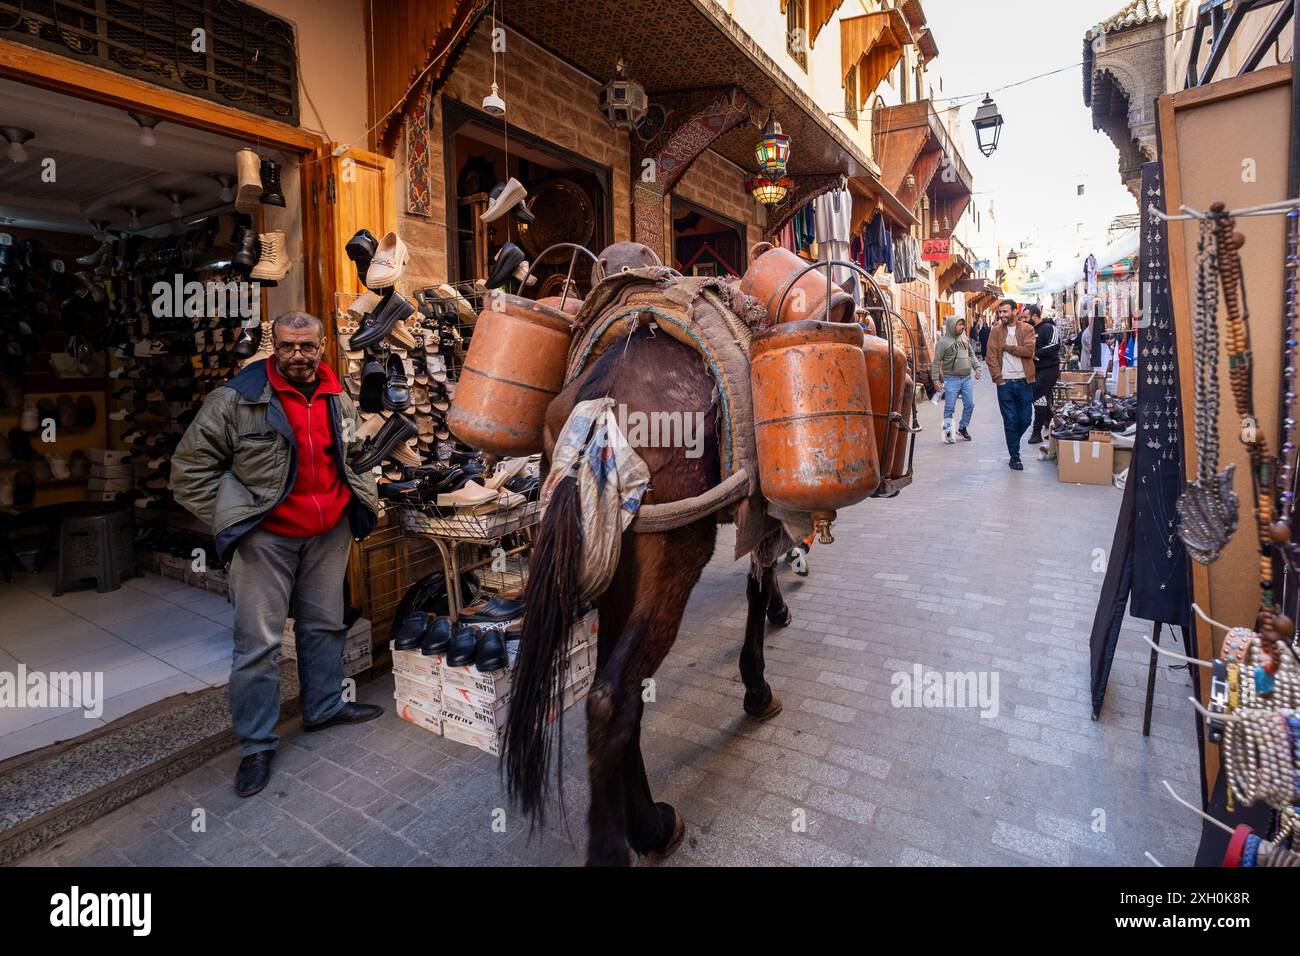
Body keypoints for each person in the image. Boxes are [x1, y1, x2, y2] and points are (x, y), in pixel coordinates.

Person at [170, 311, 382, 797]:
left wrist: (358, 500)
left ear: (323, 345)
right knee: (258, 644)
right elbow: (188, 471)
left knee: (325, 624)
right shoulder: (236, 398)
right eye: (287, 346)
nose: (297, 355)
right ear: (275, 345)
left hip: (328, 531)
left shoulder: (336, 394)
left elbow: (353, 457)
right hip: (265, 539)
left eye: (307, 346)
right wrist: (238, 520)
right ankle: (256, 744)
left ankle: (325, 706)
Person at [986, 298, 1037, 470]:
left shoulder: (1028, 329)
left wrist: (1009, 348)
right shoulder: (995, 331)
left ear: (1015, 311)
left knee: (1025, 419)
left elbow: (1029, 351)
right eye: (1000, 312)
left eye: (1005, 311)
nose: (1002, 315)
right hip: (1005, 383)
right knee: (1010, 421)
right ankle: (1015, 456)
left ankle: (1012, 440)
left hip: (1025, 381)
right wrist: (998, 378)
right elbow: (991, 356)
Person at [930, 314, 982, 443]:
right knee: (949, 408)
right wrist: (935, 379)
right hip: (951, 379)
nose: (963, 327)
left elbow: (971, 354)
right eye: (960, 324)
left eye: (963, 324)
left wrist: (977, 367)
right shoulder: (943, 342)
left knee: (970, 404)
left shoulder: (964, 338)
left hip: (966, 378)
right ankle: (948, 434)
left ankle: (963, 428)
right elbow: (936, 362)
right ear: (952, 326)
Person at [1026, 305, 1061, 444]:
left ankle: (1036, 432)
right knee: (1039, 397)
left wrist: (1035, 353)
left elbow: (1054, 345)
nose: (1023, 320)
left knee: (1039, 396)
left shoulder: (1049, 328)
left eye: (1026, 317)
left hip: (1049, 368)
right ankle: (1052, 421)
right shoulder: (1030, 330)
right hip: (1036, 369)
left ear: (1034, 316)